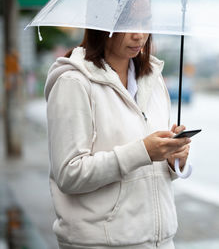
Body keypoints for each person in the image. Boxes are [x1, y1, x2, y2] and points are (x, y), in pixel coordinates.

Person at [44, 29, 190, 249]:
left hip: (161, 242)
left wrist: (174, 159)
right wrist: (143, 152)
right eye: (128, 24)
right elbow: (68, 174)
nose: (139, 36)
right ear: (101, 26)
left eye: (144, 23)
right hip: (102, 243)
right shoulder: (73, 82)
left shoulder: (154, 80)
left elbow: (154, 170)